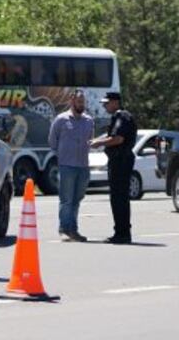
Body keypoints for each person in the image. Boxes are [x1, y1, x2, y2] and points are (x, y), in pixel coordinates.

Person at [90, 91, 138, 244]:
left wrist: (99, 143)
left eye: (107, 102)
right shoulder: (120, 116)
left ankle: (122, 233)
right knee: (118, 197)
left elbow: (118, 138)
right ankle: (120, 231)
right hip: (119, 160)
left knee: (119, 198)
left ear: (116, 102)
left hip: (121, 160)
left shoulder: (121, 116)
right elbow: (112, 136)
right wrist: (97, 140)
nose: (104, 106)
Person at [48, 89, 94, 242]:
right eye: (79, 101)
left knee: (77, 199)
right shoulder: (61, 119)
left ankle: (72, 229)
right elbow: (52, 141)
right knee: (66, 199)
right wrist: (62, 156)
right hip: (67, 166)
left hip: (83, 166)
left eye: (83, 102)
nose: (82, 104)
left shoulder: (89, 121)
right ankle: (66, 229)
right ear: (72, 101)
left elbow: (90, 141)